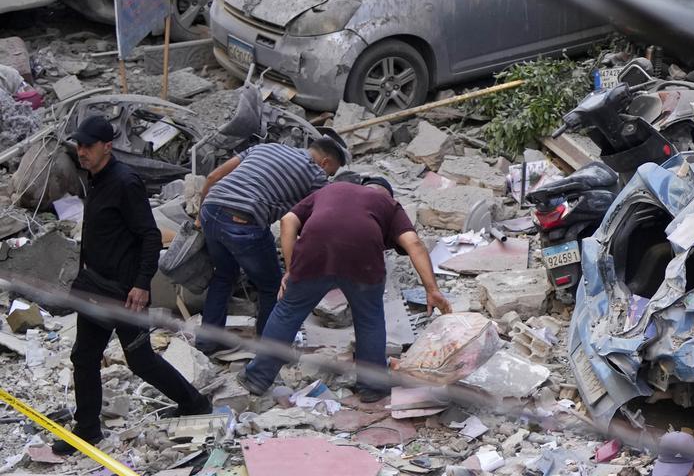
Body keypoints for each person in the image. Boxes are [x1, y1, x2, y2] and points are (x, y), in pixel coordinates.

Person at [56, 116, 210, 455]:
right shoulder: (94, 178)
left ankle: (194, 402)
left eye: (88, 146)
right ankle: (88, 429)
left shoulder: (125, 182)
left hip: (125, 293)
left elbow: (150, 235)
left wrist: (141, 285)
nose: (81, 152)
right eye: (79, 146)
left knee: (140, 360)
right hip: (95, 285)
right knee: (84, 355)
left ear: (107, 147)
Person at [238, 174, 452, 401]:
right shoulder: (389, 204)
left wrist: (292, 269)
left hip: (314, 250)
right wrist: (432, 289)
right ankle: (372, 387)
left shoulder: (331, 189)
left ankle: (258, 378)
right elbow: (414, 244)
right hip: (363, 256)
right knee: (369, 319)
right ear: (387, 194)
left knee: (288, 311)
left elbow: (287, 221)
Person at [195, 137, 346, 354]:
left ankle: (207, 342)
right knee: (272, 284)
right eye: (331, 172)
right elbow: (320, 220)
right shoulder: (315, 174)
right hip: (244, 221)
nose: (327, 177)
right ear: (324, 163)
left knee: (224, 275)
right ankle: (267, 349)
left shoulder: (265, 147)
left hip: (211, 209)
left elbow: (213, 176)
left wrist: (200, 216)